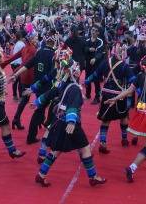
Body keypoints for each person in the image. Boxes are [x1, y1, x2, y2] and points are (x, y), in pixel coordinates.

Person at [33, 56, 106, 187]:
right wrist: (72, 121)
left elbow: (51, 93)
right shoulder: (75, 88)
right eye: (77, 69)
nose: (79, 70)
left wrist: (38, 101)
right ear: (75, 72)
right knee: (85, 149)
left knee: (56, 150)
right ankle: (93, 176)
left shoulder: (63, 84)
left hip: (59, 122)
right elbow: (73, 104)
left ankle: (41, 174)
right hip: (71, 124)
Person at [106, 54, 146, 182]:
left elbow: (128, 91)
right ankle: (132, 167)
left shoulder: (140, 76)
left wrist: (115, 99)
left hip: (141, 110)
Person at [86, 42, 136, 153]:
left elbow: (95, 75)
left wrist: (87, 80)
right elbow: (133, 80)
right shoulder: (124, 66)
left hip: (106, 95)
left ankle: (103, 143)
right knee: (123, 117)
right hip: (119, 96)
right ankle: (124, 139)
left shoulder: (105, 63)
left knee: (105, 120)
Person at [84, 26, 105, 103]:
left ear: (98, 33)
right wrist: (89, 49)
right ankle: (87, 94)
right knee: (87, 78)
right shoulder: (86, 40)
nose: (93, 32)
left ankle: (97, 97)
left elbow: (100, 52)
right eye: (92, 30)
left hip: (97, 64)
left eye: (95, 31)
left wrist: (95, 58)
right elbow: (84, 49)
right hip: (88, 63)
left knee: (96, 80)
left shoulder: (100, 41)